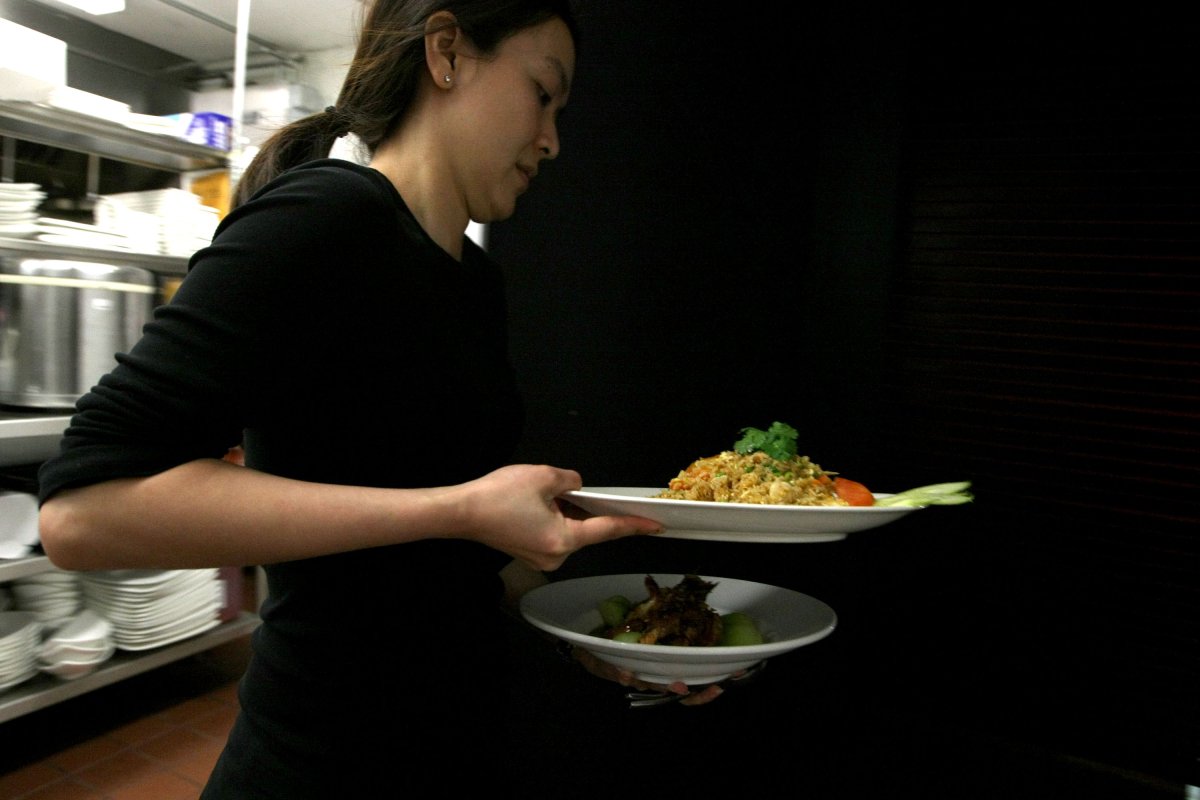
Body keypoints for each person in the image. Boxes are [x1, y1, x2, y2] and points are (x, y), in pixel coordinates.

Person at [36, 1, 721, 796]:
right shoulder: (321, 220)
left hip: (453, 744)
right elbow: (81, 516)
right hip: (320, 761)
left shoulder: (475, 281)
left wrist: (598, 634)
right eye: (542, 93)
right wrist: (455, 509)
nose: (551, 139)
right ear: (446, 52)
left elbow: (445, 554)